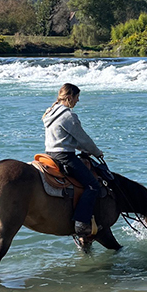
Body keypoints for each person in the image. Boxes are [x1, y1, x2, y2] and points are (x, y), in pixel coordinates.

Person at [42, 83, 103, 237]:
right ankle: (81, 224)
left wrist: (82, 148)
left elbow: (66, 138)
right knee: (93, 186)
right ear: (69, 97)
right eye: (76, 97)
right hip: (64, 156)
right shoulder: (68, 116)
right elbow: (83, 139)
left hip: (50, 154)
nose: (78, 101)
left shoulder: (50, 112)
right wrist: (96, 152)